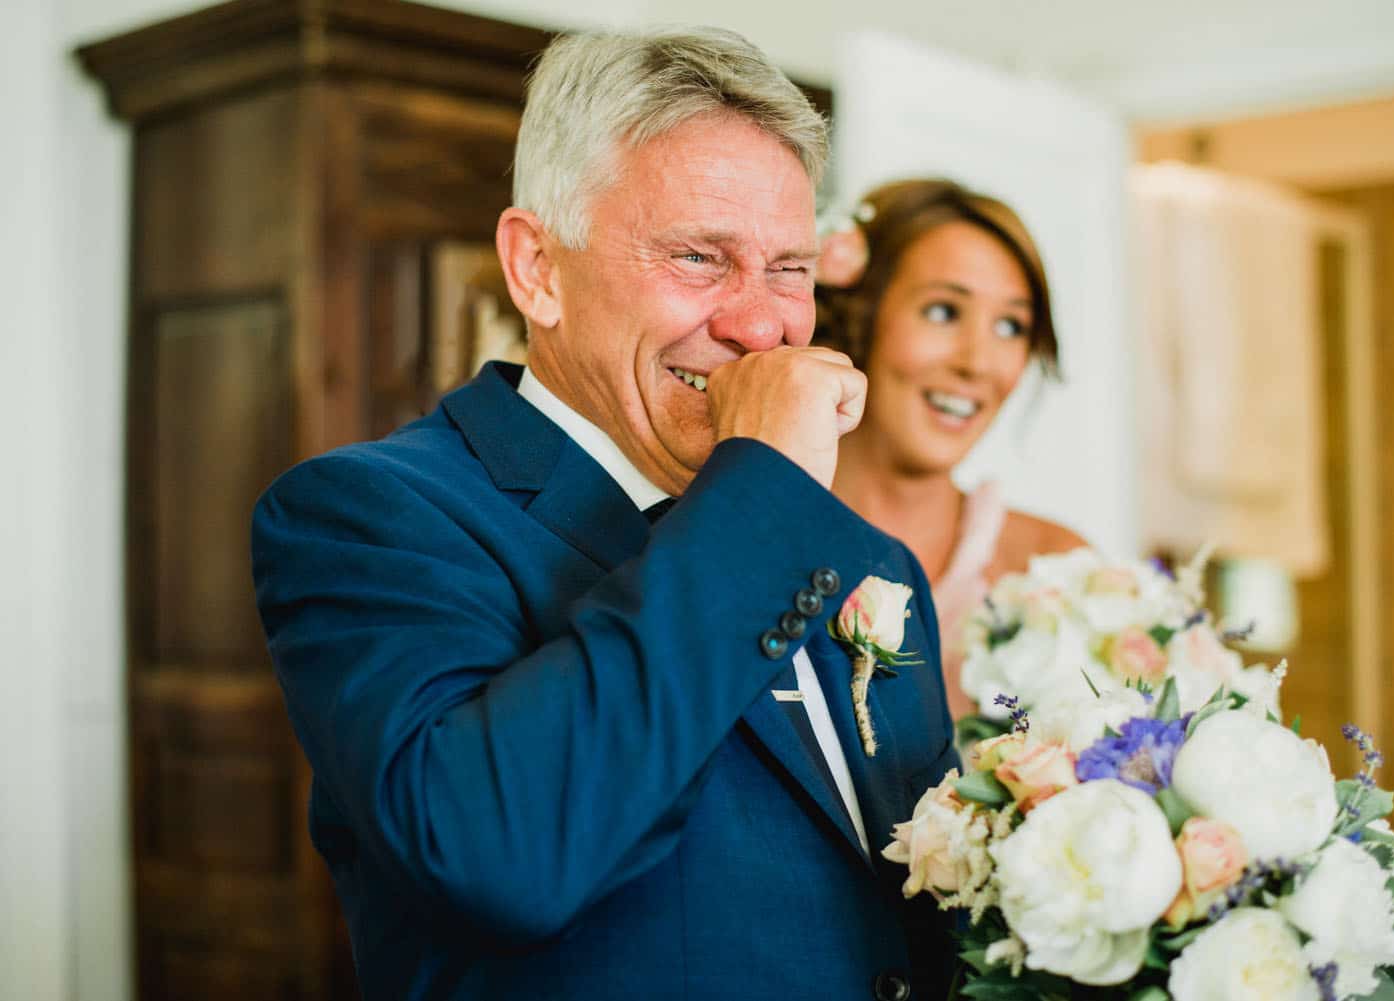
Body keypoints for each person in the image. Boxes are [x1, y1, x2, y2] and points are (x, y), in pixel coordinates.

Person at [251, 28, 957, 1001]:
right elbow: (502, 856)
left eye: (790, 268)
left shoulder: (871, 564)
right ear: (538, 265)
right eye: (700, 257)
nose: (763, 325)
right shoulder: (368, 515)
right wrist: (762, 491)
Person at [816, 179, 1086, 723]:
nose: (978, 363)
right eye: (943, 312)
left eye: (1011, 326)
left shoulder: (1057, 573)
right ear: (857, 313)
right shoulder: (744, 545)